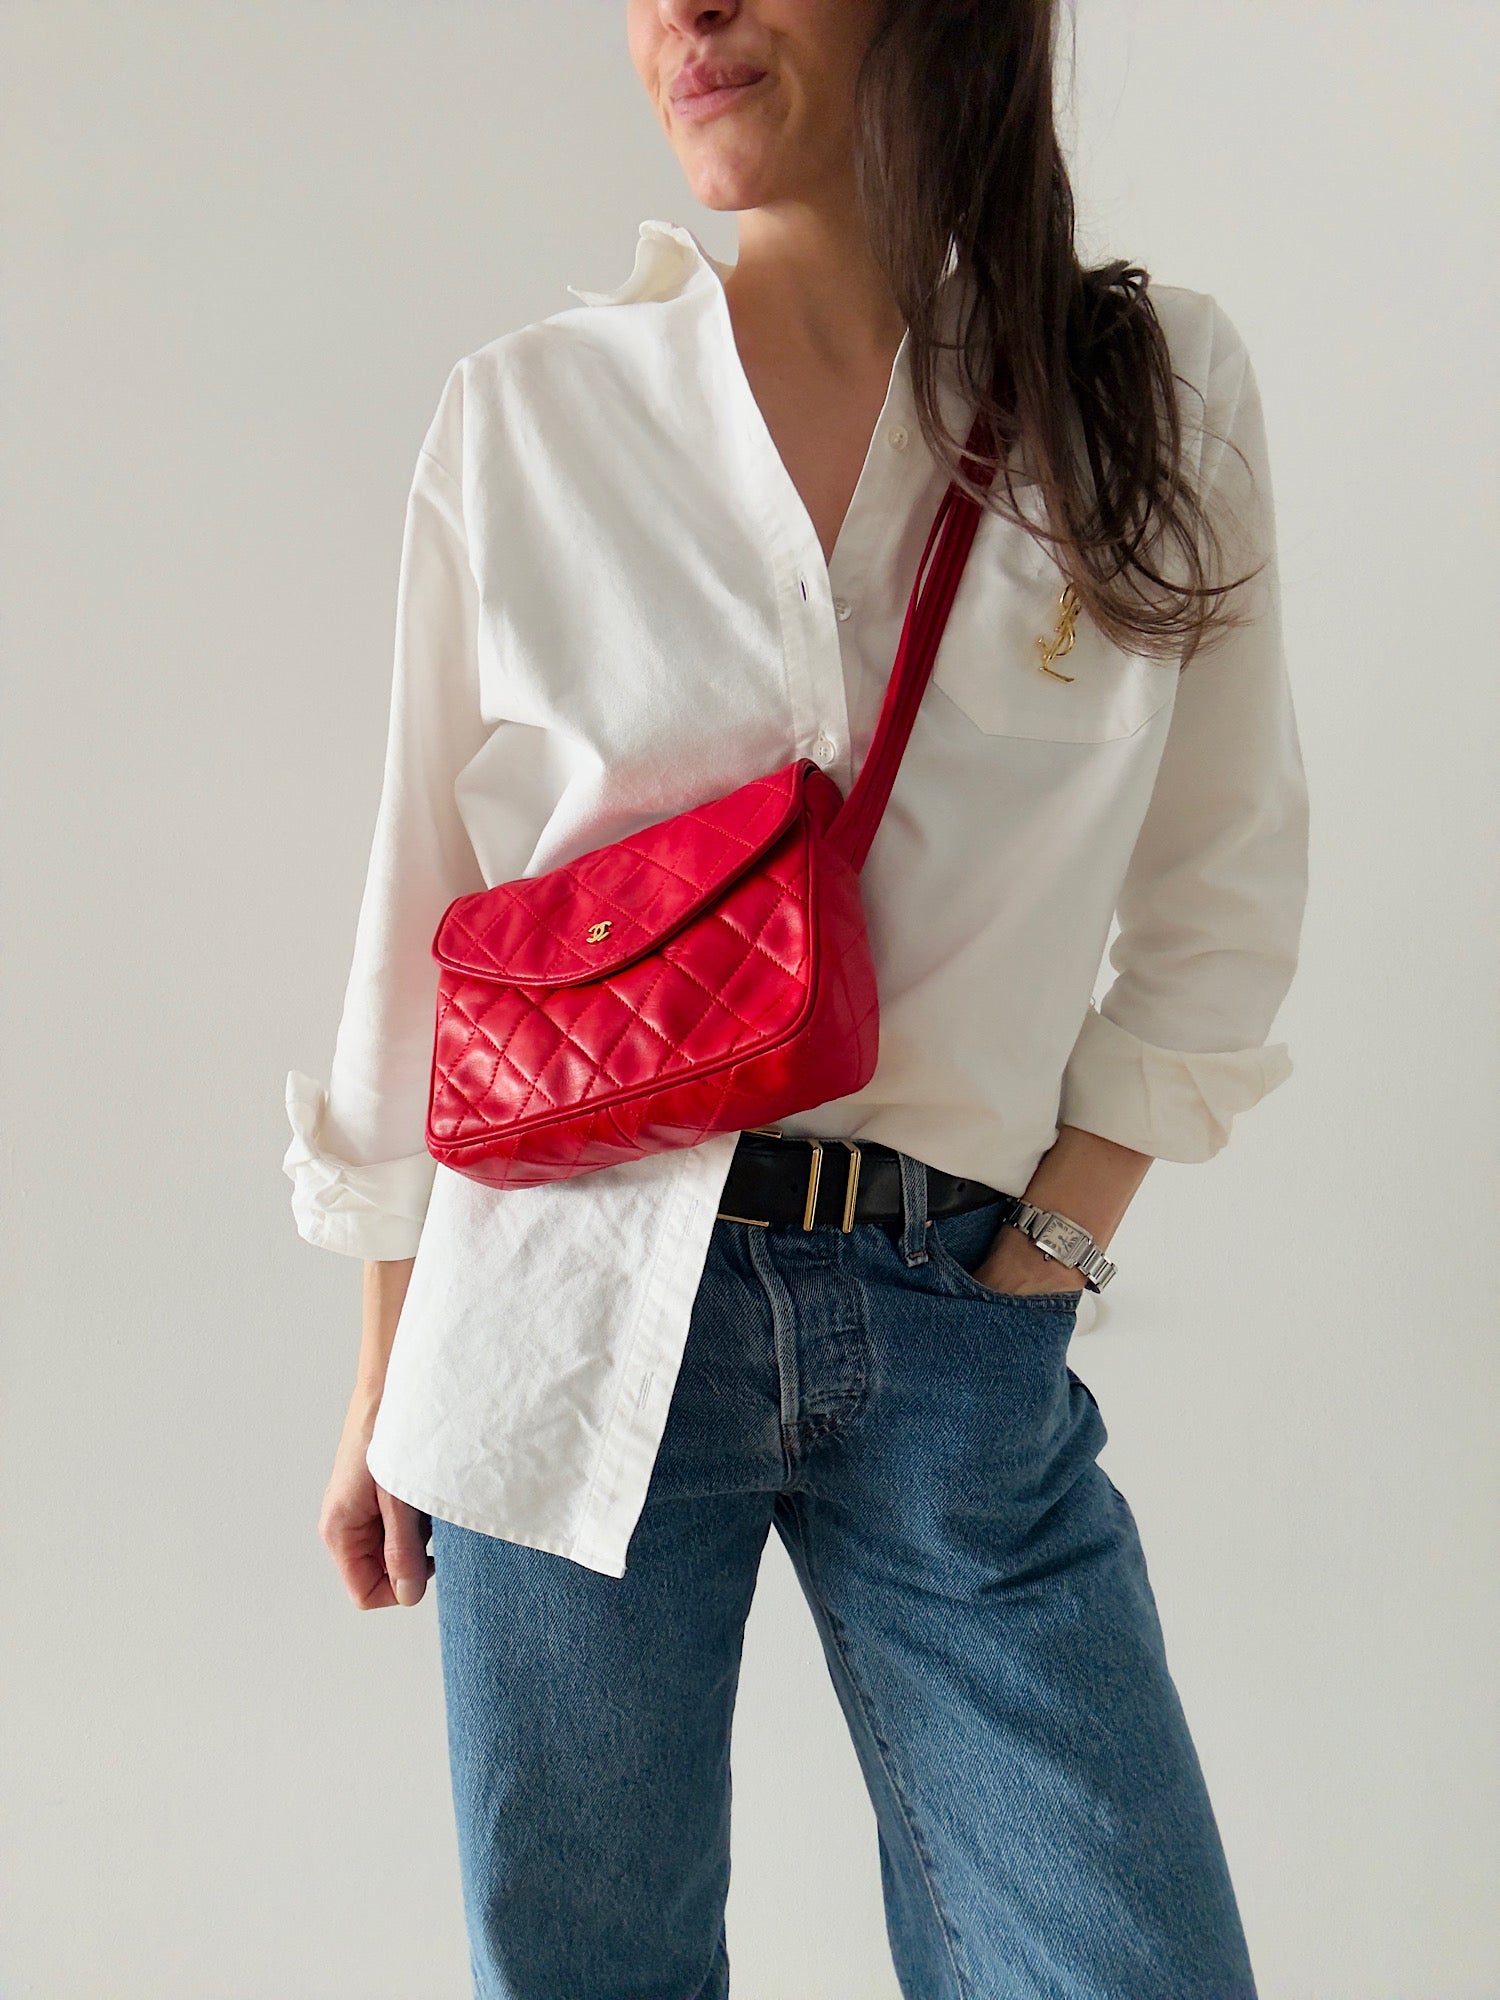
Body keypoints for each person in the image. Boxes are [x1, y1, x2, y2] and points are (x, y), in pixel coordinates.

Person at [282, 2, 1308, 1994]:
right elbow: (424, 915)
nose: (687, 13)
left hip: (957, 1314)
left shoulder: (1148, 393)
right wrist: (381, 1371)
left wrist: (1050, 1253)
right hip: (563, 1305)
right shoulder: (531, 415)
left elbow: (1224, 887)